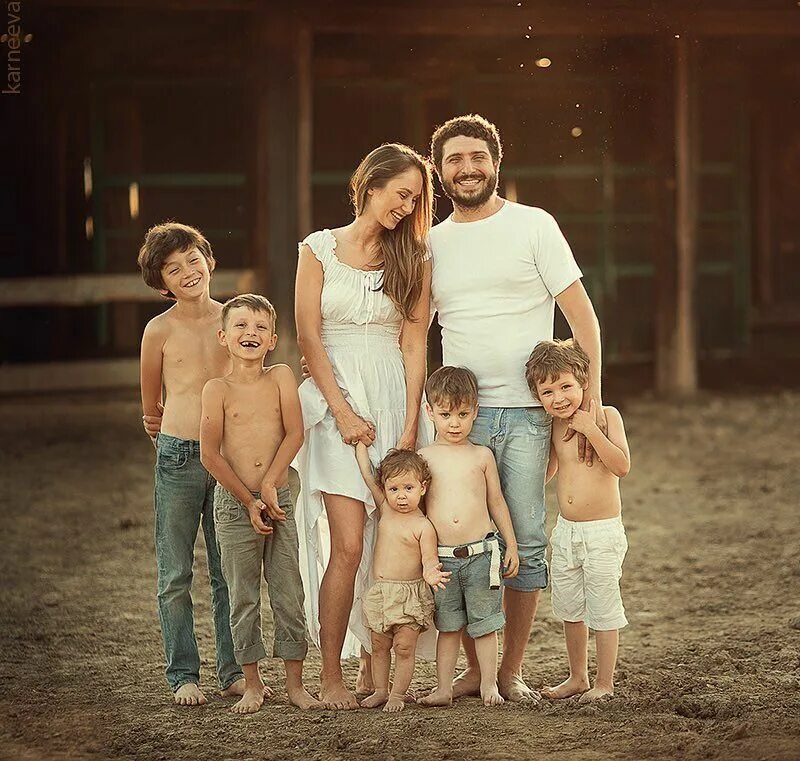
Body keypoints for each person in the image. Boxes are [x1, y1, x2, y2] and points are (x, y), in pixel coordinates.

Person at [428, 114, 603, 702]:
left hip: (530, 415)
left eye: (477, 156)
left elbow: (583, 321)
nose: (467, 167)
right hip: (462, 420)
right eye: (454, 159)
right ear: (439, 169)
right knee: (464, 539)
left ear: (496, 162)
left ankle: (510, 670)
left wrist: (589, 407)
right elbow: (408, 334)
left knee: (524, 542)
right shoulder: (431, 244)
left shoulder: (535, 226)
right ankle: (476, 666)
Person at [294, 143, 435, 710]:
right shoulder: (318, 249)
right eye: (400, 193)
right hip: (336, 403)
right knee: (348, 545)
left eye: (415, 199)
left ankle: (378, 676)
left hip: (395, 397)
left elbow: (415, 338)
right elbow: (307, 335)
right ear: (370, 185)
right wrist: (344, 411)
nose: (406, 206)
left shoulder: (414, 258)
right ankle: (331, 673)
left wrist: (408, 424)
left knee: (391, 544)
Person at [137, 222, 243, 706]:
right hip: (179, 455)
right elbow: (151, 406)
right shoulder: (158, 330)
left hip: (227, 457)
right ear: (162, 284)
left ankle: (233, 670)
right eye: (173, 269)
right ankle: (183, 673)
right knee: (175, 572)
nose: (187, 273)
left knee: (228, 570)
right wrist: (166, 432)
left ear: (209, 259)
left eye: (192, 260)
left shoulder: (235, 320)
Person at [199, 294, 321, 713]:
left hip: (279, 500)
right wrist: (249, 500)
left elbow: (294, 433)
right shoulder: (216, 389)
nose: (250, 333)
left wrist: (270, 483)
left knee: (289, 591)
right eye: (240, 326)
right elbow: (209, 454)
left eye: (259, 328)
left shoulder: (281, 377)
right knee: (243, 596)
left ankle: (295, 684)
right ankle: (251, 683)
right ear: (223, 336)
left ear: (272, 339)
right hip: (236, 507)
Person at [525, 339, 630, 703]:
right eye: (548, 391)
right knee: (570, 607)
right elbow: (552, 470)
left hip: (601, 532)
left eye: (566, 386)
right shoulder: (553, 426)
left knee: (602, 605)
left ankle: (604, 682)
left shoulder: (606, 416)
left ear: (583, 381)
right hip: (566, 532)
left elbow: (621, 466)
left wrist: (591, 430)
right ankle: (577, 677)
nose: (558, 397)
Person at [416, 366, 519, 708]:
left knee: (485, 624)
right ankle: (444, 687)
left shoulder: (481, 455)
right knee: (448, 627)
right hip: (443, 559)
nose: (455, 423)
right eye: (445, 414)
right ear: (429, 411)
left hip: (482, 554)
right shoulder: (424, 458)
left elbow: (497, 501)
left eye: (463, 414)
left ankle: (489, 683)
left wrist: (512, 544)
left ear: (475, 411)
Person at [353, 443, 449, 712]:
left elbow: (429, 558)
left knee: (404, 648)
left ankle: (398, 694)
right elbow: (367, 475)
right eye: (394, 489)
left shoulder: (423, 526)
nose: (401, 496)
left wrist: (431, 573)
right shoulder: (385, 509)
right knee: (379, 646)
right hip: (382, 593)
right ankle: (381, 690)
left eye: (408, 488)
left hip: (410, 595)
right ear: (385, 489)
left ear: (423, 488)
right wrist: (361, 448)